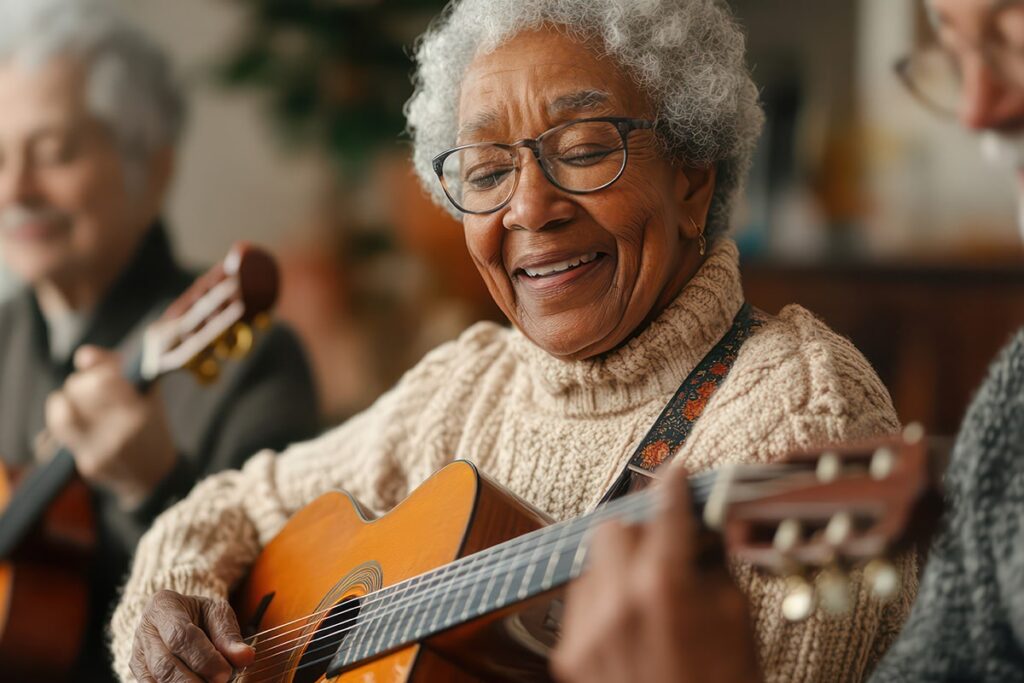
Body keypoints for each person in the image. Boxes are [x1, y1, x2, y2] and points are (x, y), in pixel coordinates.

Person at [113, 0, 915, 681]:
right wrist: (175, 601)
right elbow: (238, 501)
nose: (529, 209)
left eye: (584, 149)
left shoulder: (798, 421)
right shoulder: (470, 382)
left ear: (692, 173)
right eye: (488, 170)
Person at [553, 0, 1024, 682]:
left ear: (692, 178)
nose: (975, 109)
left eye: (1014, 39)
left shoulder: (799, 402)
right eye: (954, 48)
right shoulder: (1016, 395)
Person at [0, 0, 319, 679]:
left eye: (53, 152)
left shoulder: (259, 363)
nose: (14, 188)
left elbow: (288, 613)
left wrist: (156, 486)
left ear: (155, 170)